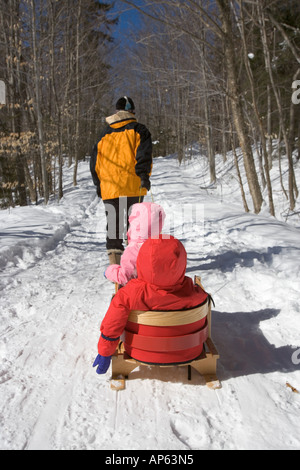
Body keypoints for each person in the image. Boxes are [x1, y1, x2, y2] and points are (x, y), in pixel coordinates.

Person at [93, 235, 209, 374]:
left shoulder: (132, 292)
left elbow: (113, 322)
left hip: (141, 351)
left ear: (142, 260)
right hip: (188, 350)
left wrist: (105, 351)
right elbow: (203, 300)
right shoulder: (190, 290)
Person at [90, 96, 153, 265]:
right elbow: (143, 156)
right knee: (134, 224)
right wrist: (144, 176)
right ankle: (134, 263)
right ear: (132, 111)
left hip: (109, 188)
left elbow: (94, 163)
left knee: (114, 225)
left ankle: (115, 264)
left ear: (117, 111)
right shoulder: (140, 130)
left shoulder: (104, 134)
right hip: (133, 186)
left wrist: (99, 184)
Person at [104, 201, 166, 286]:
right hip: (157, 292)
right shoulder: (162, 248)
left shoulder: (134, 249)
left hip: (137, 294)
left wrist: (109, 271)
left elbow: (124, 276)